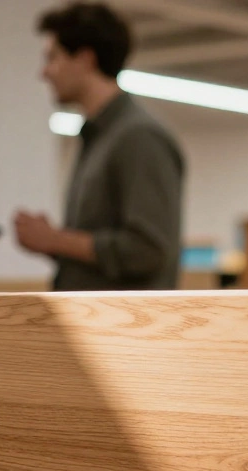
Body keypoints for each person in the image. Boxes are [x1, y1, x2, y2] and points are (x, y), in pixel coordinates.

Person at [15, 2, 186, 291]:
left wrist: (56, 240)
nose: (45, 72)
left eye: (52, 58)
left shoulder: (138, 137)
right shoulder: (98, 136)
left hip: (124, 329)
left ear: (84, 59)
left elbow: (149, 250)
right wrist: (56, 244)